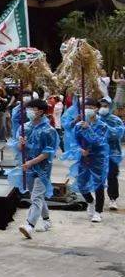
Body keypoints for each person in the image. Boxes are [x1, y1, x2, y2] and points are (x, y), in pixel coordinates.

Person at [9, 98, 59, 239]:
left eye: (32, 109)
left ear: (41, 112)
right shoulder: (24, 127)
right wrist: (21, 144)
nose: (29, 112)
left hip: (42, 169)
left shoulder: (49, 131)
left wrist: (31, 163)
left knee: (36, 196)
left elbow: (47, 153)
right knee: (36, 195)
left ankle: (29, 225)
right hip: (28, 167)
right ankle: (47, 220)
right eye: (28, 109)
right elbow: (18, 148)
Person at [66, 97, 111, 223]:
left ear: (97, 109)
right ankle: (90, 202)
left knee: (98, 184)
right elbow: (73, 142)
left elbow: (99, 142)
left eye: (91, 108)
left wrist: (89, 129)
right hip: (83, 158)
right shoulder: (79, 126)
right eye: (86, 108)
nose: (88, 110)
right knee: (81, 183)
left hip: (98, 158)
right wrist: (80, 150)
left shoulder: (102, 126)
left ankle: (98, 211)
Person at [100, 97, 123, 211]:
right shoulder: (95, 119)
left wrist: (106, 127)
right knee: (97, 177)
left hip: (113, 154)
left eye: (105, 106)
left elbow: (117, 134)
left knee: (112, 176)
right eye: (101, 106)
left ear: (110, 107)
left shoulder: (116, 120)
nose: (103, 108)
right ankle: (98, 201)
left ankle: (113, 199)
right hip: (98, 153)